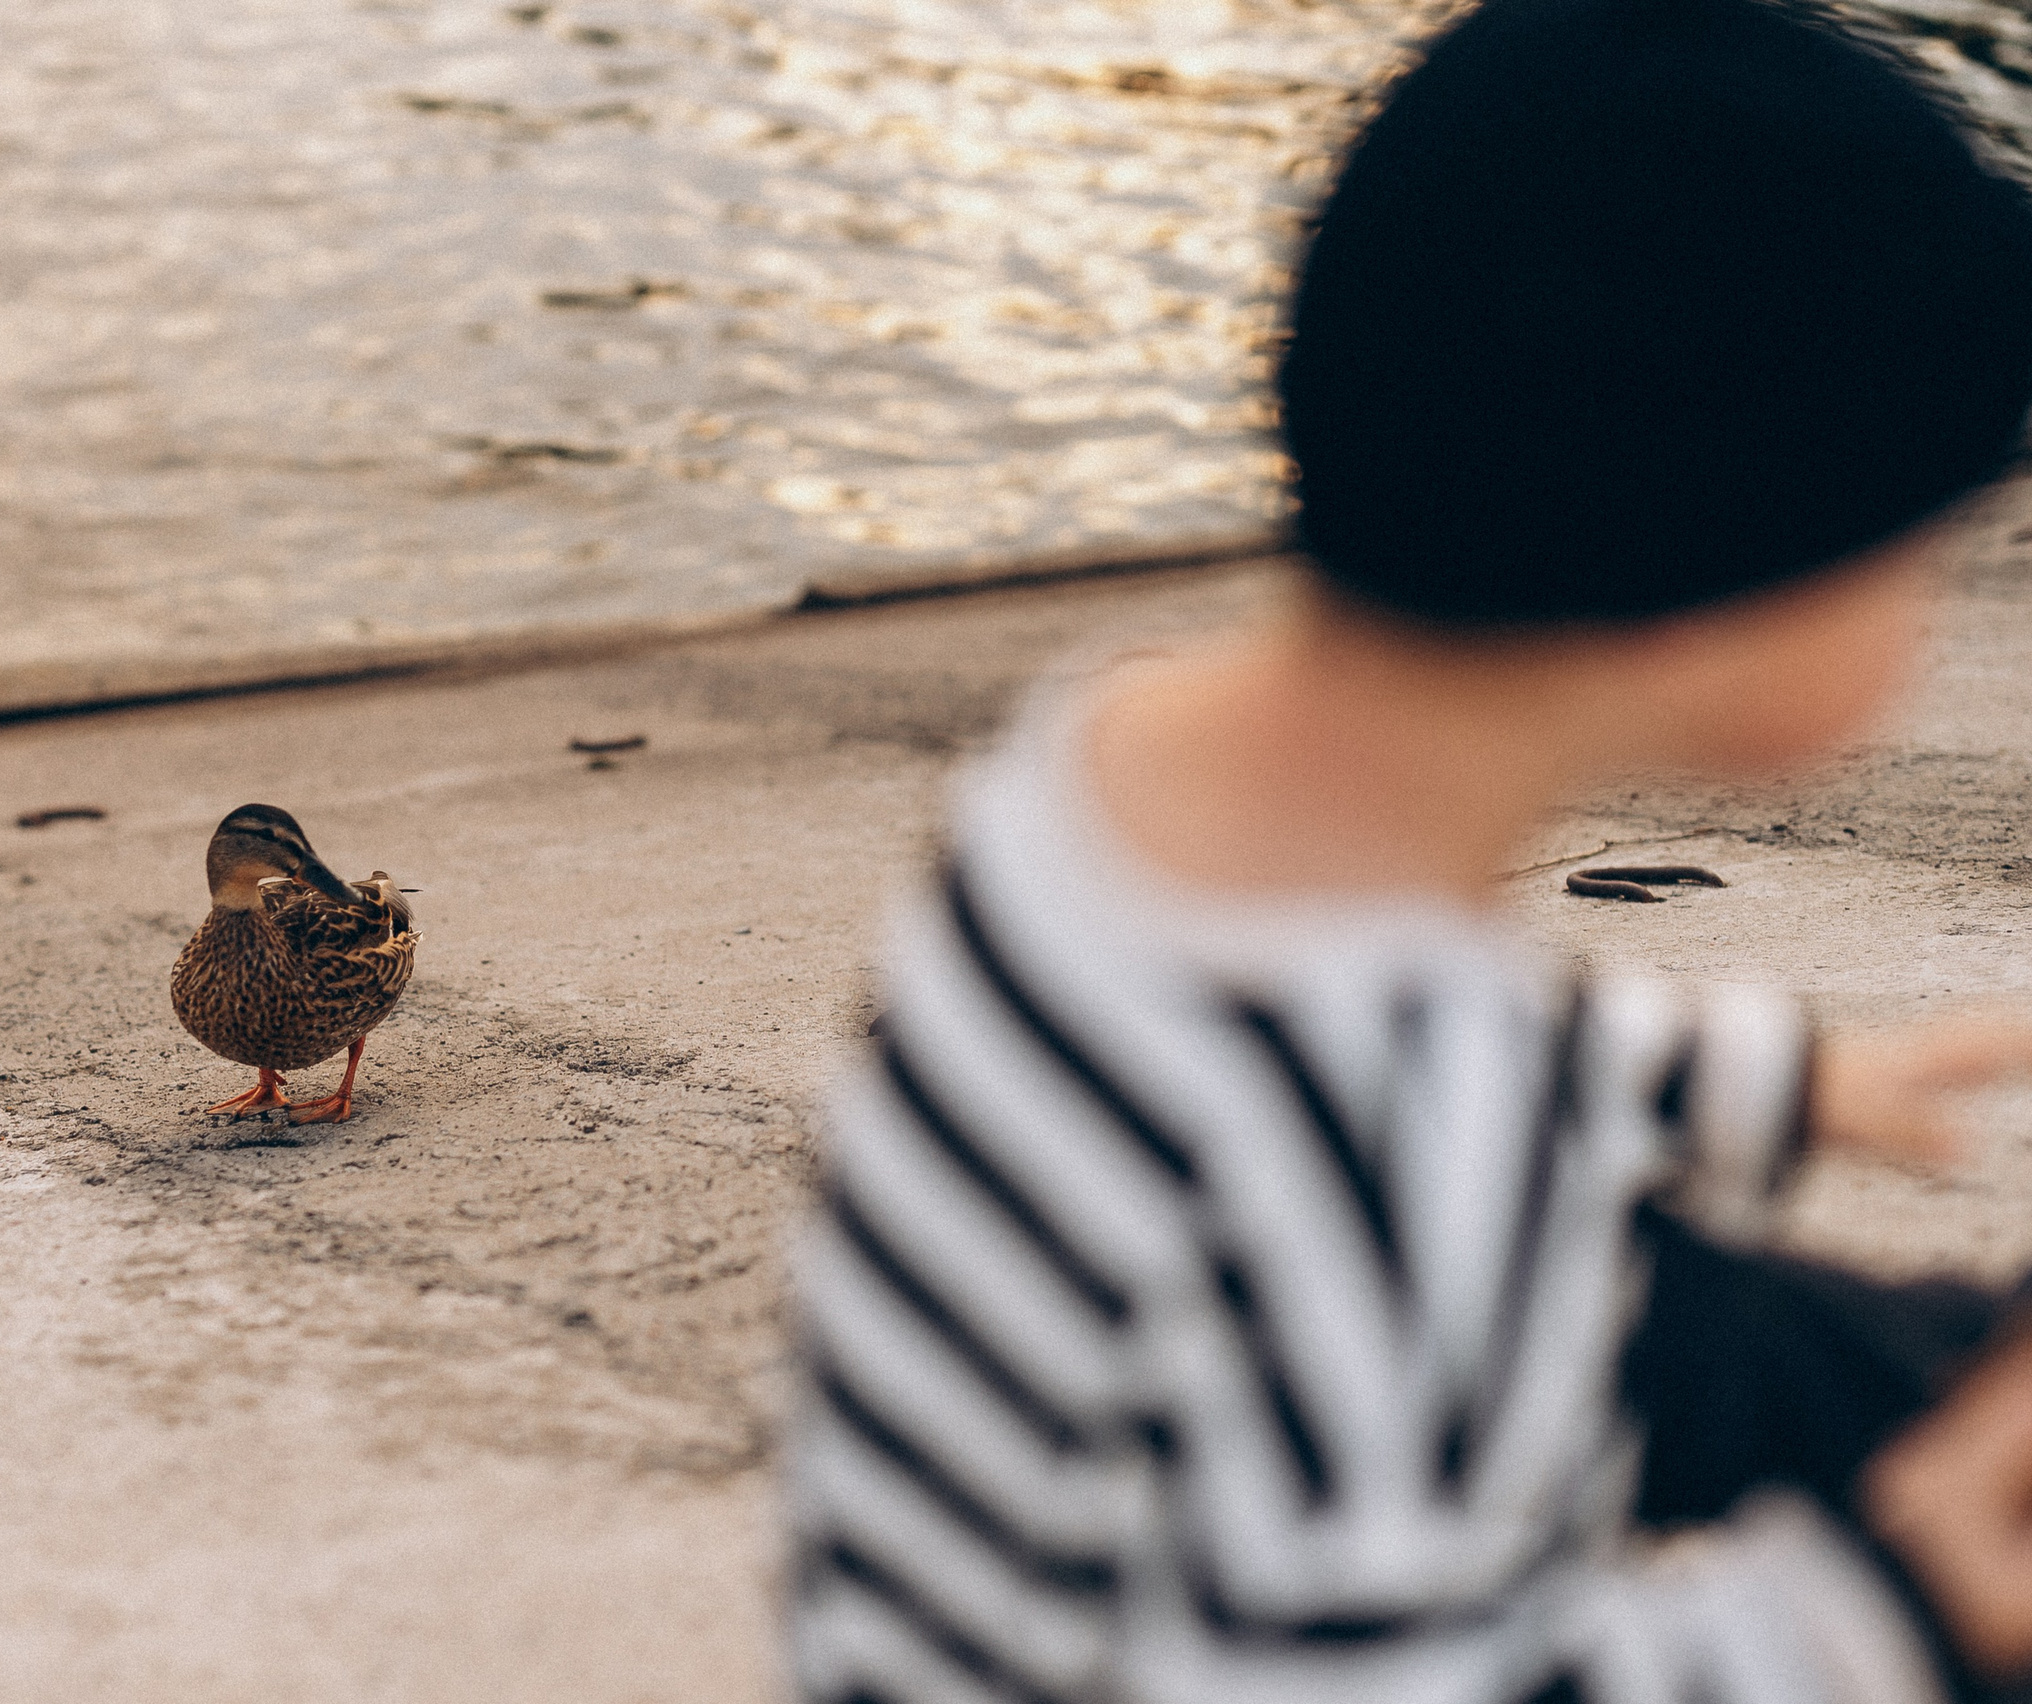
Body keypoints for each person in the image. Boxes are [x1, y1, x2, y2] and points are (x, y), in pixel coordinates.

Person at [781, 2, 2032, 1701]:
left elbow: (1375, 1051)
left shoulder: (1102, 762)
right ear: (1708, 590)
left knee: (1820, 1341)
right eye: (1922, 549)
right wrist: (1898, 1603)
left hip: (1035, 1548)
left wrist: (1759, 1079)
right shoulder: (1398, 1154)